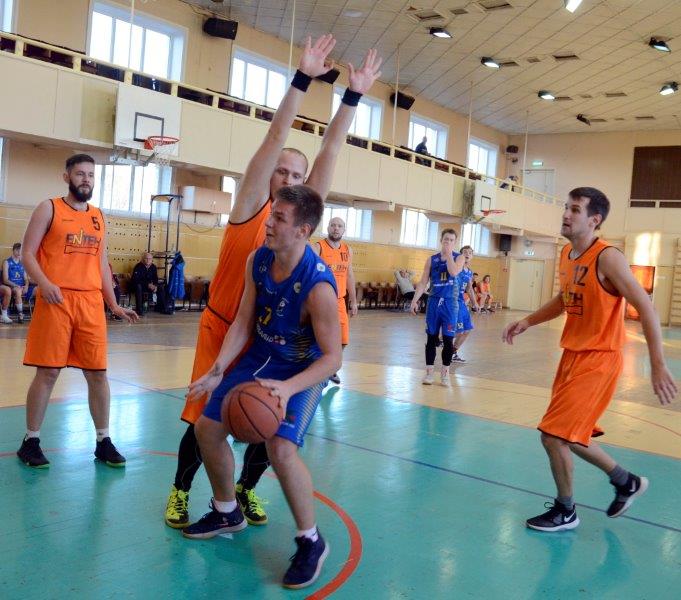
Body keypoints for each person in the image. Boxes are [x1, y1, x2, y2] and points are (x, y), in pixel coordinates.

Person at [164, 38, 382, 531]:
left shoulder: (297, 218)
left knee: (263, 418)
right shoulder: (251, 208)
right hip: (226, 327)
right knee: (201, 421)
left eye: (295, 173)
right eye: (281, 169)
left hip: (268, 338)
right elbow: (274, 136)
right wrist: (301, 79)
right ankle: (181, 492)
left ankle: (242, 492)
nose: (286, 177)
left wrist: (353, 97)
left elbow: (330, 151)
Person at [184, 185, 342, 589]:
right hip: (260, 356)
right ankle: (227, 511)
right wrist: (219, 368)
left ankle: (311, 541)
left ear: (302, 230)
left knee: (281, 449)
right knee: (206, 428)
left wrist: (288, 390)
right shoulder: (258, 259)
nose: (268, 223)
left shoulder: (319, 287)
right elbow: (243, 321)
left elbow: (332, 359)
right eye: (271, 214)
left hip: (302, 370)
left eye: (279, 218)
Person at [502, 187, 677, 532]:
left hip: (599, 359)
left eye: (575, 210)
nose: (566, 215)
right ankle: (625, 482)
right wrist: (527, 321)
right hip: (572, 355)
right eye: (566, 208)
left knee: (553, 435)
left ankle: (566, 510)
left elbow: (646, 307)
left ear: (594, 220)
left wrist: (658, 364)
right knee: (569, 434)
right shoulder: (567, 254)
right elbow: (564, 299)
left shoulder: (607, 257)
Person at [16, 154, 138, 468]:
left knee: (98, 374)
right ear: (66, 176)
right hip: (56, 300)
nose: (86, 179)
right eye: (80, 174)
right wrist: (44, 283)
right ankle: (31, 441)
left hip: (90, 303)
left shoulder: (98, 216)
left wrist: (113, 304)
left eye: (91, 175)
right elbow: (27, 253)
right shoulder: (49, 208)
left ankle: (103, 441)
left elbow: (101, 264)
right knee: (48, 372)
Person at [410, 229, 465, 386]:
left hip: (450, 303)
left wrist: (449, 255)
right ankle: (429, 374)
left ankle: (445, 374)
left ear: (455, 242)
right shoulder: (431, 260)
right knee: (431, 338)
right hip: (434, 302)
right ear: (441, 240)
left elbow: (453, 272)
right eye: (446, 239)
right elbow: (423, 282)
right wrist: (414, 300)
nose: (448, 242)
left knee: (448, 340)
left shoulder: (459, 257)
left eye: (451, 240)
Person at [313, 216, 357, 384]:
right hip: (322, 299)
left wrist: (353, 301)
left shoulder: (347, 250)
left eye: (339, 226)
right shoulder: (318, 247)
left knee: (344, 339)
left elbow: (349, 275)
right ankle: (318, 369)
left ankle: (330, 367)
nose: (336, 228)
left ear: (344, 230)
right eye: (333, 225)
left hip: (339, 300)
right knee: (320, 337)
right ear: (328, 228)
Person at [453, 245, 479, 363]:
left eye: (470, 252)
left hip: (461, 302)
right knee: (459, 331)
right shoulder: (456, 267)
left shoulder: (469, 272)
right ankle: (439, 340)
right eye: (465, 252)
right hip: (453, 300)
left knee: (467, 330)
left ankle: (453, 353)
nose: (467, 254)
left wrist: (475, 303)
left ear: (472, 256)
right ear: (460, 255)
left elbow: (469, 289)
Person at [2, 242, 28, 323]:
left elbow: (26, 278)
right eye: (18, 250)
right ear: (14, 250)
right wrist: (16, 285)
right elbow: (5, 280)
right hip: (11, 286)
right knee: (17, 290)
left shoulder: (23, 263)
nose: (20, 252)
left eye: (21, 251)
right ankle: (20, 314)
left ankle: (21, 314)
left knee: (19, 290)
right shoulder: (7, 262)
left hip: (21, 286)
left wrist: (26, 286)